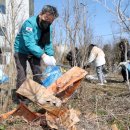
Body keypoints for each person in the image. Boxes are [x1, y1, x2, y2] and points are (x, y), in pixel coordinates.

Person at [14, 5, 59, 102]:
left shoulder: (49, 28)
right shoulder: (29, 24)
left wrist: (50, 56)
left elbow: (48, 43)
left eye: (50, 21)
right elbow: (29, 43)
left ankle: (38, 95)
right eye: (46, 18)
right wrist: (43, 55)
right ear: (40, 14)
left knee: (38, 73)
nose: (47, 22)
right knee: (22, 74)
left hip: (35, 51)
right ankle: (21, 98)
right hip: (21, 50)